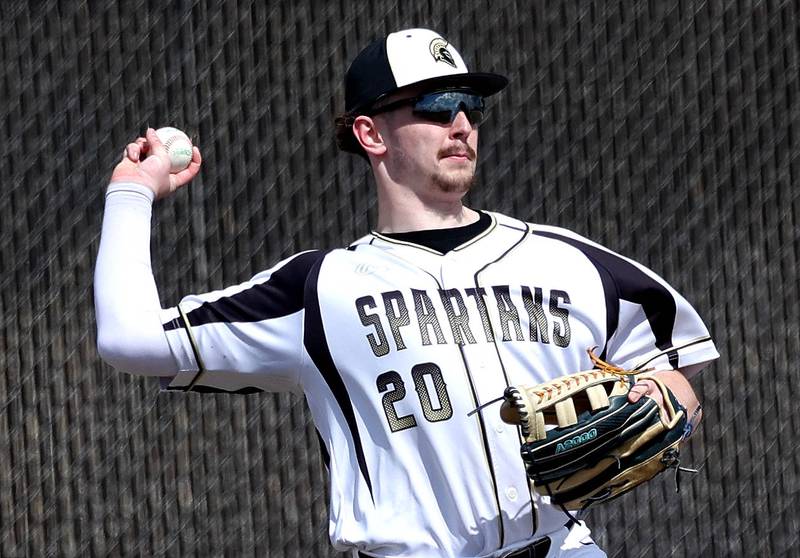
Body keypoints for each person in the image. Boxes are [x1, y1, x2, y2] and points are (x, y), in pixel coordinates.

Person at [95, 28, 719, 558]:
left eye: (471, 105)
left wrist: (665, 399)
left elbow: (677, 366)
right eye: (437, 104)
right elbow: (129, 339)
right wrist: (132, 192)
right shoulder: (320, 290)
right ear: (371, 133)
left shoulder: (567, 260)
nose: (461, 123)